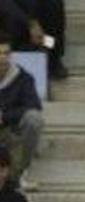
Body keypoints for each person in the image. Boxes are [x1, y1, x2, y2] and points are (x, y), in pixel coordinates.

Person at [0, 32, 43, 188]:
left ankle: (18, 172)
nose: (3, 58)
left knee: (34, 118)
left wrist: (3, 116)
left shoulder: (23, 78)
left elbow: (34, 105)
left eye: (6, 53)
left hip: (11, 131)